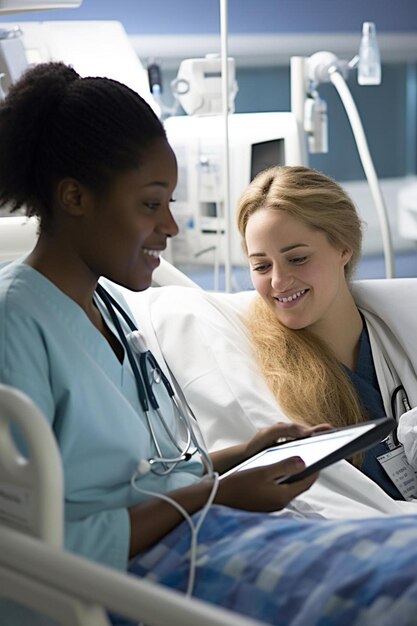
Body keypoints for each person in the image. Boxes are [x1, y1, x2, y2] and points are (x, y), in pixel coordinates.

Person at [1, 63, 417, 626]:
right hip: (146, 575)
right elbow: (37, 547)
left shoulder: (113, 312)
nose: (171, 227)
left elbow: (149, 477)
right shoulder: (15, 325)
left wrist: (242, 456)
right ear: (74, 197)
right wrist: (219, 494)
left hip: (211, 534)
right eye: (152, 204)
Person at [236, 165, 417, 501]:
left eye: (298, 258)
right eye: (261, 266)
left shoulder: (400, 333)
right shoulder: (258, 374)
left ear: (343, 248)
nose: (277, 281)